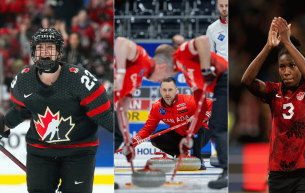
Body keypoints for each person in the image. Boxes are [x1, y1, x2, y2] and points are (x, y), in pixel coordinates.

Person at [0, 28, 113, 193]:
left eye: (49, 47)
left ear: (59, 51)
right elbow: (21, 111)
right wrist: (2, 126)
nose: (44, 52)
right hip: (40, 153)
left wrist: (122, 136)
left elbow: (103, 115)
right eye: (40, 48)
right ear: (33, 52)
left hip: (79, 152)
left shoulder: (79, 79)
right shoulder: (23, 81)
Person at [241, 17, 305, 193]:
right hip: (278, 173)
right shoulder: (273, 91)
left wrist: (286, 41)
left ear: (301, 67)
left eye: (292, 66)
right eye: (282, 67)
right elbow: (247, 80)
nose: (286, 71)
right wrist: (268, 47)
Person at [154, 34, 228, 189]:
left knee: (218, 127)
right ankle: (226, 172)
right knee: (217, 128)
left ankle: (227, 173)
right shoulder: (188, 76)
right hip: (221, 86)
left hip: (224, 79)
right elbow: (200, 109)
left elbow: (203, 40)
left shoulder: (181, 52)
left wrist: (206, 69)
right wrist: (189, 135)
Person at [113, 37, 175, 188]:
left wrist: (128, 142)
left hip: (110, 107)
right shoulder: (143, 59)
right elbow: (121, 42)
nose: (157, 82)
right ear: (161, 66)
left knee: (118, 134)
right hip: (101, 97)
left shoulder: (138, 81)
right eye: (161, 79)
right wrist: (120, 74)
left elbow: (123, 111)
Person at [132, 77, 212, 170]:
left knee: (194, 124)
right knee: (156, 138)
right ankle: (181, 156)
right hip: (180, 137)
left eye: (170, 90)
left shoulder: (188, 100)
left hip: (200, 136)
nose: (167, 93)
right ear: (160, 91)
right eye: (164, 90)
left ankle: (198, 159)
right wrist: (133, 142)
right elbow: (147, 129)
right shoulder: (157, 108)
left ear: (176, 90)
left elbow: (210, 104)